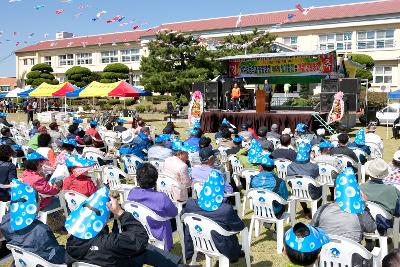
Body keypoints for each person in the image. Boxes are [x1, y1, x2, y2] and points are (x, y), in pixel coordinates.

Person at [64, 187, 182, 267]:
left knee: (144, 250)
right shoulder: (109, 243)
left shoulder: (71, 242)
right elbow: (140, 237)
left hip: (99, 260)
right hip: (116, 261)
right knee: (145, 249)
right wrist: (120, 212)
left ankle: (177, 264)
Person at [181, 170, 245, 263]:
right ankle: (236, 252)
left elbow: (182, 217)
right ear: (221, 190)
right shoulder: (225, 210)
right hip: (222, 247)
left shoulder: (191, 204)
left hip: (198, 243)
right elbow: (239, 226)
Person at [0, 179, 65, 264]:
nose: (40, 201)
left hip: (21, 261)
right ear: (33, 205)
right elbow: (54, 254)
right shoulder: (41, 229)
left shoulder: (5, 220)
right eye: (39, 199)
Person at [311, 168, 376, 243]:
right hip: (351, 251)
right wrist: (364, 206)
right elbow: (371, 228)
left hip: (326, 250)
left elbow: (313, 229)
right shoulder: (360, 211)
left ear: (335, 191)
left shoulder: (323, 209)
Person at [127, 163, 178, 251]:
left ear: (138, 179)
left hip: (138, 229)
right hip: (158, 233)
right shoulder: (161, 197)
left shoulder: (132, 192)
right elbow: (174, 213)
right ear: (155, 179)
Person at [287, 143, 322, 217]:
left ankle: (305, 210)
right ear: (308, 153)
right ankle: (317, 212)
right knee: (321, 186)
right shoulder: (314, 167)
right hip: (312, 193)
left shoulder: (290, 166)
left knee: (300, 187)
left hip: (296, 192)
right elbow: (318, 179)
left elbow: (289, 182)